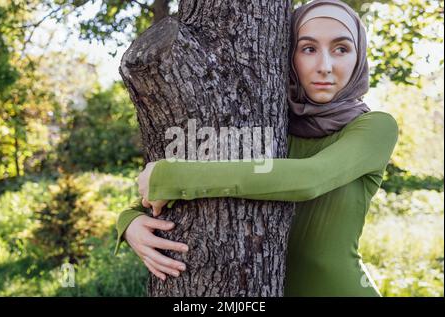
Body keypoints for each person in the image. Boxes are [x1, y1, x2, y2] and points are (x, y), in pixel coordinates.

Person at [114, 0, 399, 296]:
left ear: (359, 56)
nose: (324, 66)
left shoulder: (374, 128)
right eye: (308, 49)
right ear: (289, 55)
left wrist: (173, 178)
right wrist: (130, 221)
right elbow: (155, 197)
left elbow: (309, 178)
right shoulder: (270, 121)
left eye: (341, 49)